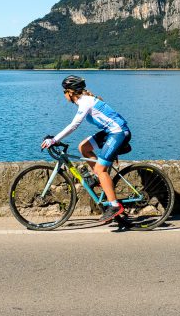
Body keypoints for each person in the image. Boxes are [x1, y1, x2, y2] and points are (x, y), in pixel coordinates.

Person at [41, 75, 132, 223]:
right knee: (83, 147)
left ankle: (114, 205)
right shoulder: (84, 101)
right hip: (111, 132)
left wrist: (54, 140)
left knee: (102, 169)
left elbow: (74, 125)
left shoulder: (85, 102)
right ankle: (98, 178)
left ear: (70, 92)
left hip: (119, 132)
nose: (63, 94)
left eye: (64, 91)